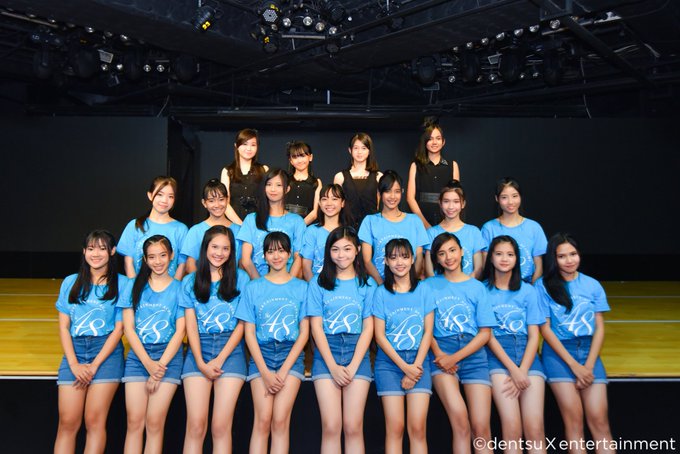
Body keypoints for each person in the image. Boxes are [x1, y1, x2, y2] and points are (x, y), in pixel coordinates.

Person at [536, 233, 615, 454]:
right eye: (562, 256)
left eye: (573, 254)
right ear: (553, 259)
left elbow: (599, 327)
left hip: (589, 354)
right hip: (559, 356)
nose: (569, 260)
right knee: (574, 421)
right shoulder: (543, 287)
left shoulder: (592, 285)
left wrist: (588, 365)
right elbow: (545, 329)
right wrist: (574, 366)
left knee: (600, 421)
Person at [235, 231, 309, 454]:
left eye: (281, 251)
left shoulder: (302, 287)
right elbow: (249, 333)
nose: (276, 256)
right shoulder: (253, 287)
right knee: (263, 420)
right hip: (261, 356)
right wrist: (265, 373)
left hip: (291, 357)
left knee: (280, 421)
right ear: (264, 256)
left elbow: (304, 333)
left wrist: (284, 370)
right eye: (270, 251)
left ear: (290, 254)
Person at [54, 230, 126, 454]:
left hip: (106, 355)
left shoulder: (123, 284)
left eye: (102, 248)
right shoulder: (70, 282)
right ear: (84, 251)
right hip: (75, 353)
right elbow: (64, 327)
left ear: (112, 252)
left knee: (94, 420)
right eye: (91, 248)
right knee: (67, 422)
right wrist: (74, 364)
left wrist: (94, 365)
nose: (96, 254)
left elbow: (119, 329)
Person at [180, 226, 250, 453]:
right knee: (195, 426)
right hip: (197, 351)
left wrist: (220, 359)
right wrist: (200, 362)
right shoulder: (189, 281)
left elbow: (242, 324)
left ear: (232, 251)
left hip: (231, 352)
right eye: (215, 247)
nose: (219, 253)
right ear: (205, 248)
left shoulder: (242, 279)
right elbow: (190, 326)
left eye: (225, 248)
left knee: (220, 427)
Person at [306, 226, 375, 453]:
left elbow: (368, 328)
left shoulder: (367, 284)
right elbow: (316, 327)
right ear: (328, 252)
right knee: (331, 426)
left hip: (358, 354)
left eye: (347, 248)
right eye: (335, 249)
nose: (341, 254)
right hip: (327, 354)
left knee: (353, 427)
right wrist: (333, 367)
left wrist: (353, 365)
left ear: (357, 250)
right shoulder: (318, 283)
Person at [427, 232, 497, 454]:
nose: (448, 257)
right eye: (441, 253)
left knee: (481, 428)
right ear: (436, 259)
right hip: (441, 354)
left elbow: (485, 333)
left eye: (452, 250)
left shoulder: (477, 287)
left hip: (474, 356)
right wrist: (440, 355)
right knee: (461, 424)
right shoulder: (428, 286)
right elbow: (425, 328)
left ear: (462, 251)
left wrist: (454, 358)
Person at [118, 235, 186, 454]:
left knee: (155, 422)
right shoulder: (133, 286)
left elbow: (180, 331)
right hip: (139, 358)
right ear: (145, 260)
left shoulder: (180, 288)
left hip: (168, 359)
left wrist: (159, 368)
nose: (158, 261)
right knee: (134, 422)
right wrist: (148, 363)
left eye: (163, 255)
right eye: (152, 257)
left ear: (171, 256)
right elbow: (129, 329)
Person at [482, 236, 546, 454]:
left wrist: (523, 369)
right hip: (498, 357)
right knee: (512, 427)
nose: (504, 259)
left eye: (510, 254)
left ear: (517, 259)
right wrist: (513, 370)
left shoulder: (528, 291)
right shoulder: (483, 291)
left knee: (535, 429)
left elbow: (534, 335)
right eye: (499, 254)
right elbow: (488, 336)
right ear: (491, 257)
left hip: (528, 357)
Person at [373, 238, 434, 454]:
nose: (399, 262)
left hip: (419, 363)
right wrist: (404, 367)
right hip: (389, 364)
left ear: (412, 259)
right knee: (395, 428)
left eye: (405, 257)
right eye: (394, 257)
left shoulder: (424, 290)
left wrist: (414, 367)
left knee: (417, 428)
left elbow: (428, 332)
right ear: (386, 261)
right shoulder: (381, 292)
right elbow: (379, 336)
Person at [358, 170, 429, 285]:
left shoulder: (415, 221)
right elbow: (366, 261)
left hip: (409, 287)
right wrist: (382, 286)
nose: (392, 196)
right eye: (387, 191)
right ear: (379, 193)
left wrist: (409, 285)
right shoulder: (370, 221)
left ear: (402, 192)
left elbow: (419, 257)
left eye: (397, 191)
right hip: (380, 286)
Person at [238, 168, 306, 280]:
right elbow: (245, 260)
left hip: (287, 283)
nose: (273, 189)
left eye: (278, 185)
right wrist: (261, 285)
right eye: (269, 184)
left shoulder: (297, 221)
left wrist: (288, 284)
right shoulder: (251, 220)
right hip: (257, 283)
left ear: (287, 189)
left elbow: (298, 258)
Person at [118, 175, 188, 280]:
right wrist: (134, 287)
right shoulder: (135, 225)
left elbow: (182, 265)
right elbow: (128, 262)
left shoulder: (181, 229)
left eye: (170, 196)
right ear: (150, 195)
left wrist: (174, 287)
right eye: (160, 194)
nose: (164, 200)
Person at [481, 177, 547, 284]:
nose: (510, 202)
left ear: (520, 197)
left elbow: (539, 267)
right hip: (497, 287)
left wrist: (530, 290)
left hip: (527, 287)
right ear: (497, 199)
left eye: (515, 196)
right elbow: (485, 265)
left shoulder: (534, 227)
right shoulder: (489, 228)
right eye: (504, 197)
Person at [424, 180, 484, 279]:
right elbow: (429, 272)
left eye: (456, 202)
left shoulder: (474, 232)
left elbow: (478, 269)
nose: (451, 207)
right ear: (440, 203)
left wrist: (465, 284)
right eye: (446, 201)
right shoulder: (432, 233)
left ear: (463, 204)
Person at [406, 119, 460, 228]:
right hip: (421, 223)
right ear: (425, 142)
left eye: (438, 138)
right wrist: (425, 224)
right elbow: (410, 198)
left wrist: (446, 224)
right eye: (430, 139)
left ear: (443, 142)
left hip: (447, 222)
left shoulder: (453, 165)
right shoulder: (415, 166)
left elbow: (457, 197)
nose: (434, 142)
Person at [180, 179, 241, 275]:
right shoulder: (196, 231)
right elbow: (190, 264)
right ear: (204, 203)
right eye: (211, 201)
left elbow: (242, 262)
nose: (217, 205)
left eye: (221, 199)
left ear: (227, 200)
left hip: (231, 282)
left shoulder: (239, 230)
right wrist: (203, 282)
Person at [300, 183, 353, 281]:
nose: (329, 203)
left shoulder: (349, 232)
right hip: (316, 284)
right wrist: (314, 287)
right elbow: (306, 266)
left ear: (342, 203)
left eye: (334, 199)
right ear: (319, 203)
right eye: (324, 199)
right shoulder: (311, 231)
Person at [333, 132, 383, 228]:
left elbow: (379, 205)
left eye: (364, 148)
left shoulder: (379, 176)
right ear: (350, 150)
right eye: (356, 148)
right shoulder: (340, 177)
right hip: (347, 228)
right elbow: (336, 205)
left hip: (372, 227)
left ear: (369, 151)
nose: (359, 152)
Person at [220, 128, 269, 224]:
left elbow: (268, 201)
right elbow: (225, 203)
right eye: (245, 144)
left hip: (258, 224)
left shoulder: (264, 169)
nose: (249, 148)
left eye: (253, 145)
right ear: (236, 146)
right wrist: (241, 225)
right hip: (234, 224)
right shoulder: (227, 171)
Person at [285, 140, 322, 225]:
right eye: (295, 157)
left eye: (302, 156)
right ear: (291, 161)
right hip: (285, 226)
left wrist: (299, 227)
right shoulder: (285, 180)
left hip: (307, 227)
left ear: (310, 157)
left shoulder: (316, 182)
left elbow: (314, 213)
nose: (299, 160)